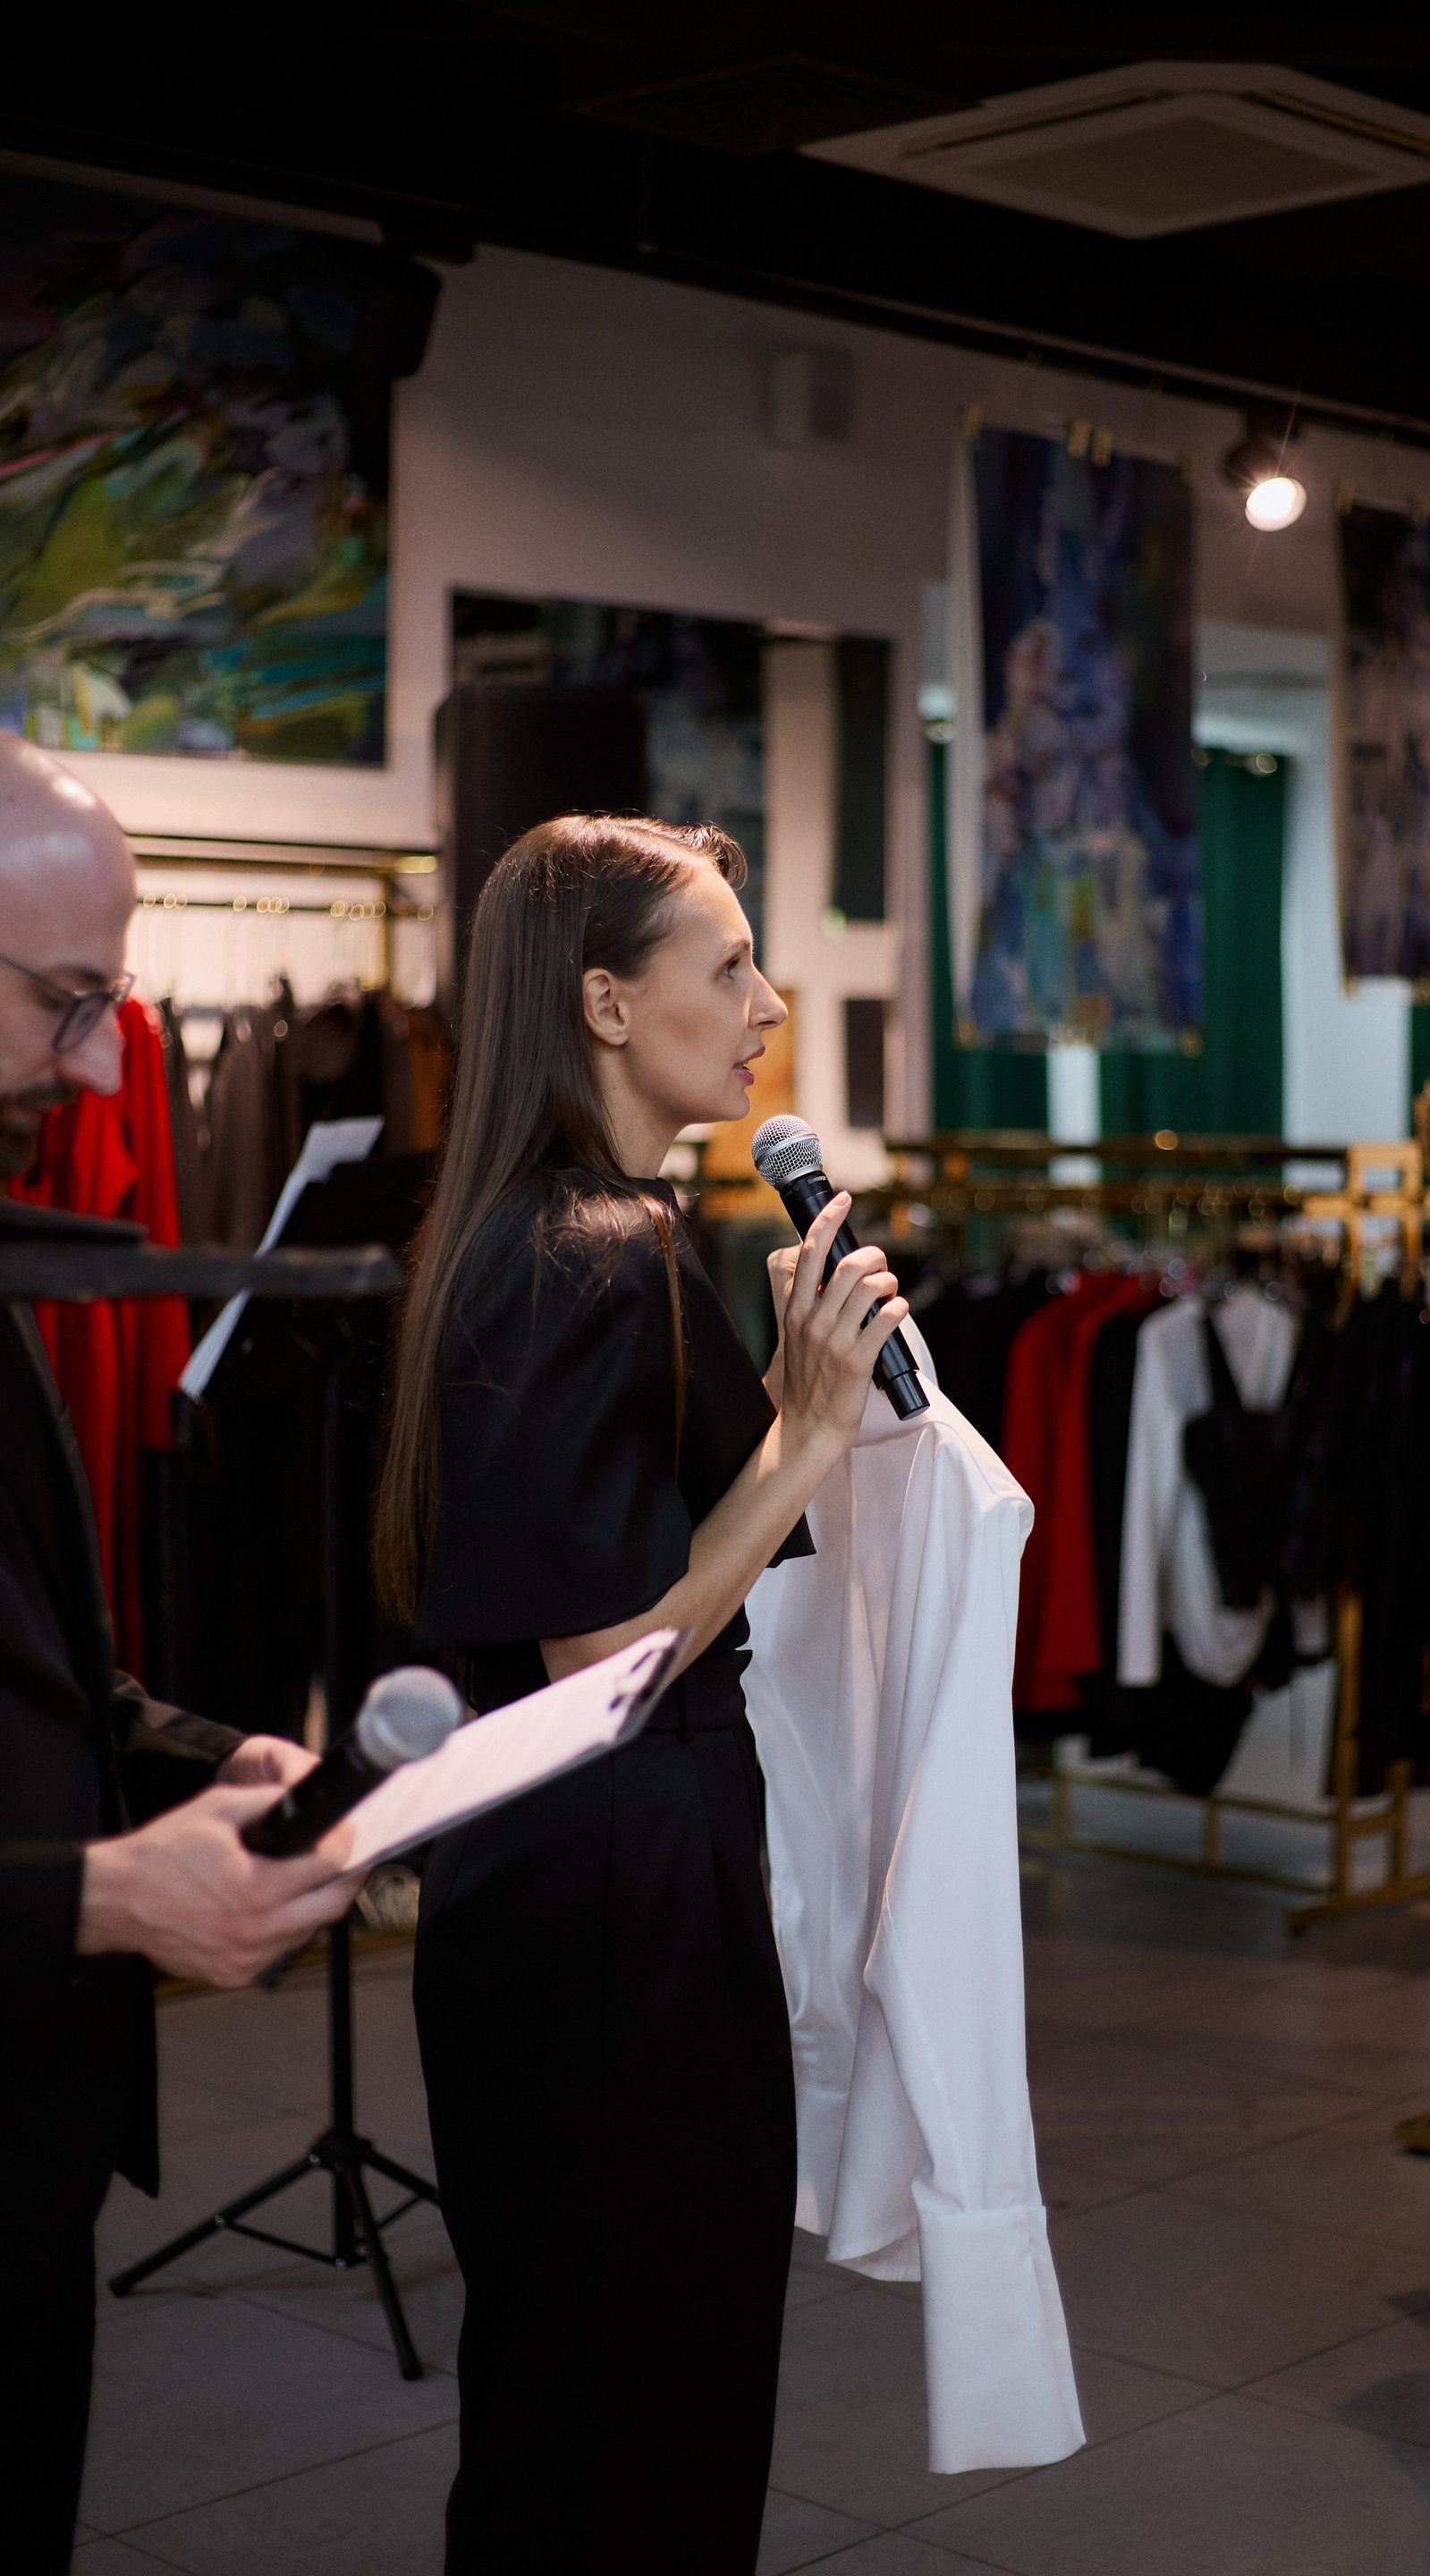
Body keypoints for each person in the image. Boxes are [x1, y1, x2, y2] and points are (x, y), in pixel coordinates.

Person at [374, 813, 908, 2574]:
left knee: (569, 2385)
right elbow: (606, 1661)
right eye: (728, 966)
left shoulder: (527, 1232)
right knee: (649, 2385)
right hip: (616, 1881)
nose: (768, 1003)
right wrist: (806, 1434)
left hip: (549, 1872)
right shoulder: (598, 1251)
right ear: (605, 1003)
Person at [0, 733, 360, 2574]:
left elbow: (40, 1665)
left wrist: (217, 1761)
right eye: (65, 1004)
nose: (92, 1068)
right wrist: (104, 1893)